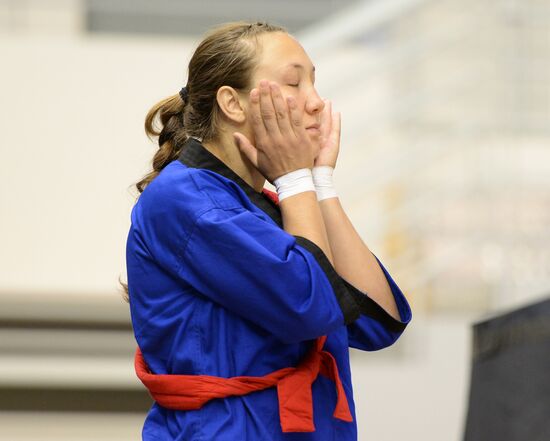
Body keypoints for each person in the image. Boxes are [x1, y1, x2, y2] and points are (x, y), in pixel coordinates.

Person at [124, 21, 412, 441]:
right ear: (232, 104)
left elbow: (377, 322)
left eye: (315, 82)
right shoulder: (186, 201)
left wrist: (318, 182)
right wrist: (295, 181)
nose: (315, 102)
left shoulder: (270, 206)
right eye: (293, 83)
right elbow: (310, 309)